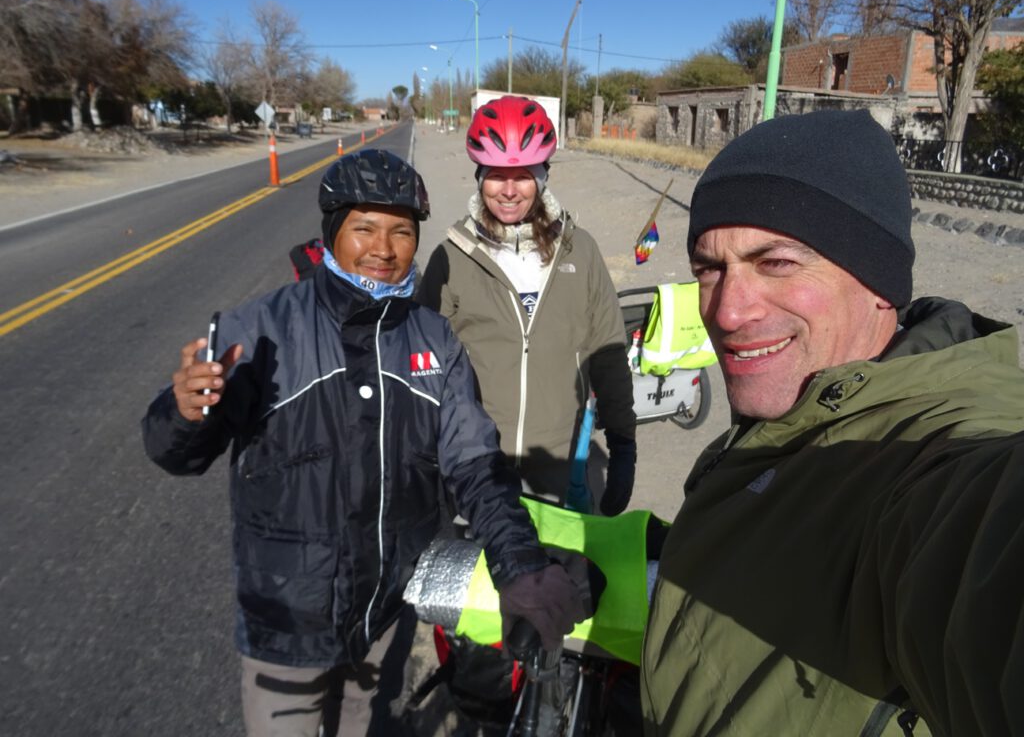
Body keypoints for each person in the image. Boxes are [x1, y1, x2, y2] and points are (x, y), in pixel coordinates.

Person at [141, 148, 586, 737]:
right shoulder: (259, 329)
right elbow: (178, 455)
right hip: (286, 624)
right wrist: (183, 413)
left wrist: (520, 565)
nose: (384, 248)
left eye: (402, 231)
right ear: (332, 233)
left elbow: (476, 466)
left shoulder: (436, 340)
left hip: (384, 615)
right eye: (365, 228)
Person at [641, 109, 1024, 736]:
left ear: (878, 283)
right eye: (709, 268)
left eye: (779, 263)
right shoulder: (791, 416)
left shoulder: (930, 462)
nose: (728, 311)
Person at [416, 95, 637, 515]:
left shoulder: (580, 250)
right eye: (497, 175)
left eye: (524, 175)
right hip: (471, 462)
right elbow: (423, 362)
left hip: (553, 465)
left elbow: (607, 347)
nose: (510, 190)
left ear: (543, 176)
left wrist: (623, 442)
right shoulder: (452, 256)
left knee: (556, 573)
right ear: (479, 177)